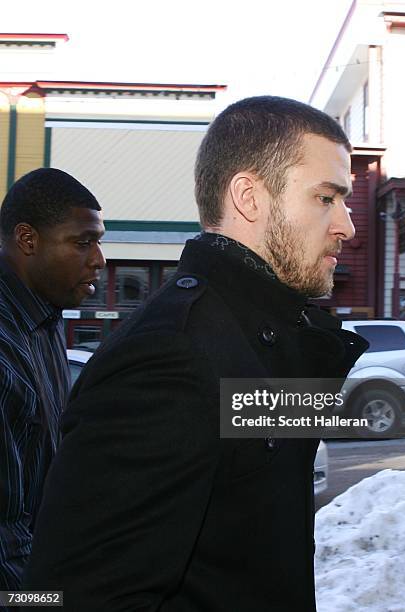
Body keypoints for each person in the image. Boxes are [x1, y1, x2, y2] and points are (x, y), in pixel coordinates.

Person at [23, 97, 368, 611]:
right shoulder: (172, 356)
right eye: (325, 198)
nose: (347, 226)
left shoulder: (267, 335)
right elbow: (76, 595)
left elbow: (255, 528)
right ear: (249, 196)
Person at [0, 168, 106, 595]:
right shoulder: (6, 350)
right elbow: (6, 537)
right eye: (83, 242)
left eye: (98, 241)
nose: (98, 259)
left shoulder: (42, 322)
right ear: (28, 240)